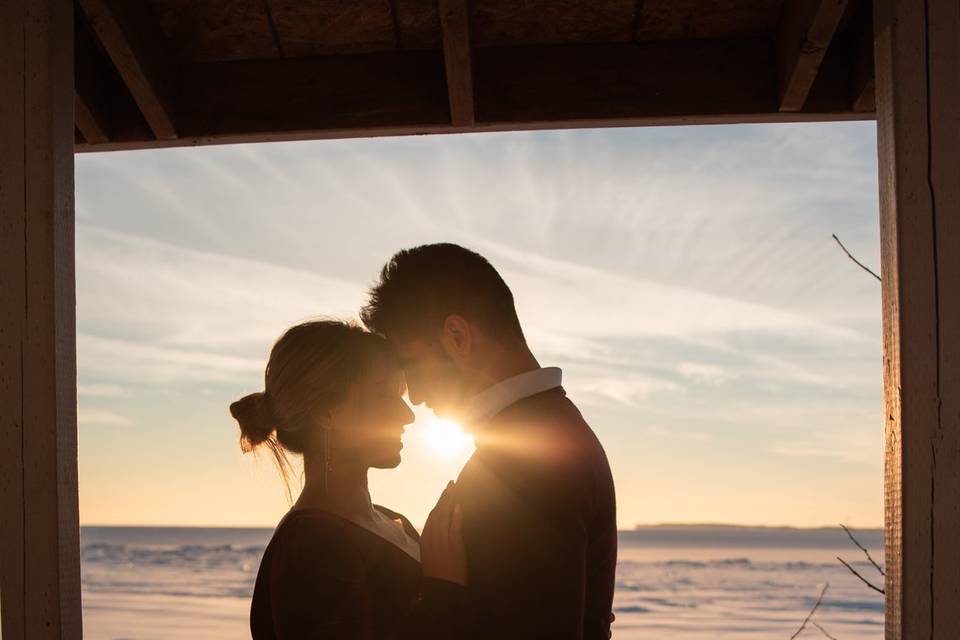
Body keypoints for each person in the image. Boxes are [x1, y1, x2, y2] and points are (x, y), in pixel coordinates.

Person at [361, 243, 618, 639]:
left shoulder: (526, 459)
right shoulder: (553, 430)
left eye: (412, 366)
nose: (413, 395)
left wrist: (442, 594)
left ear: (457, 335)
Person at [230, 320, 468, 639]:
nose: (407, 415)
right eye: (385, 394)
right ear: (328, 412)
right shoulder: (310, 545)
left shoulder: (392, 521)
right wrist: (444, 590)